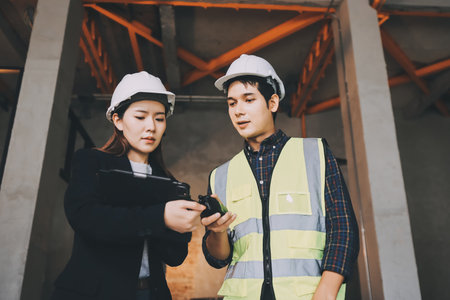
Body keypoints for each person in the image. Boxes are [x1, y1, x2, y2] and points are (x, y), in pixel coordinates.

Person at [201, 54, 359, 300]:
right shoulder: (220, 175)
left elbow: (343, 228)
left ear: (272, 103)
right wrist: (217, 232)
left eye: (249, 99)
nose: (239, 111)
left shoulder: (315, 153)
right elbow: (218, 259)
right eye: (232, 103)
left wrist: (327, 291)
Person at [51, 71, 205, 300]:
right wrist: (160, 217)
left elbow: (175, 256)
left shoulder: (170, 184)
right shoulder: (92, 162)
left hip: (150, 293)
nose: (151, 126)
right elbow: (86, 217)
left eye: (160, 118)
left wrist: (186, 226)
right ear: (118, 120)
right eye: (140, 117)